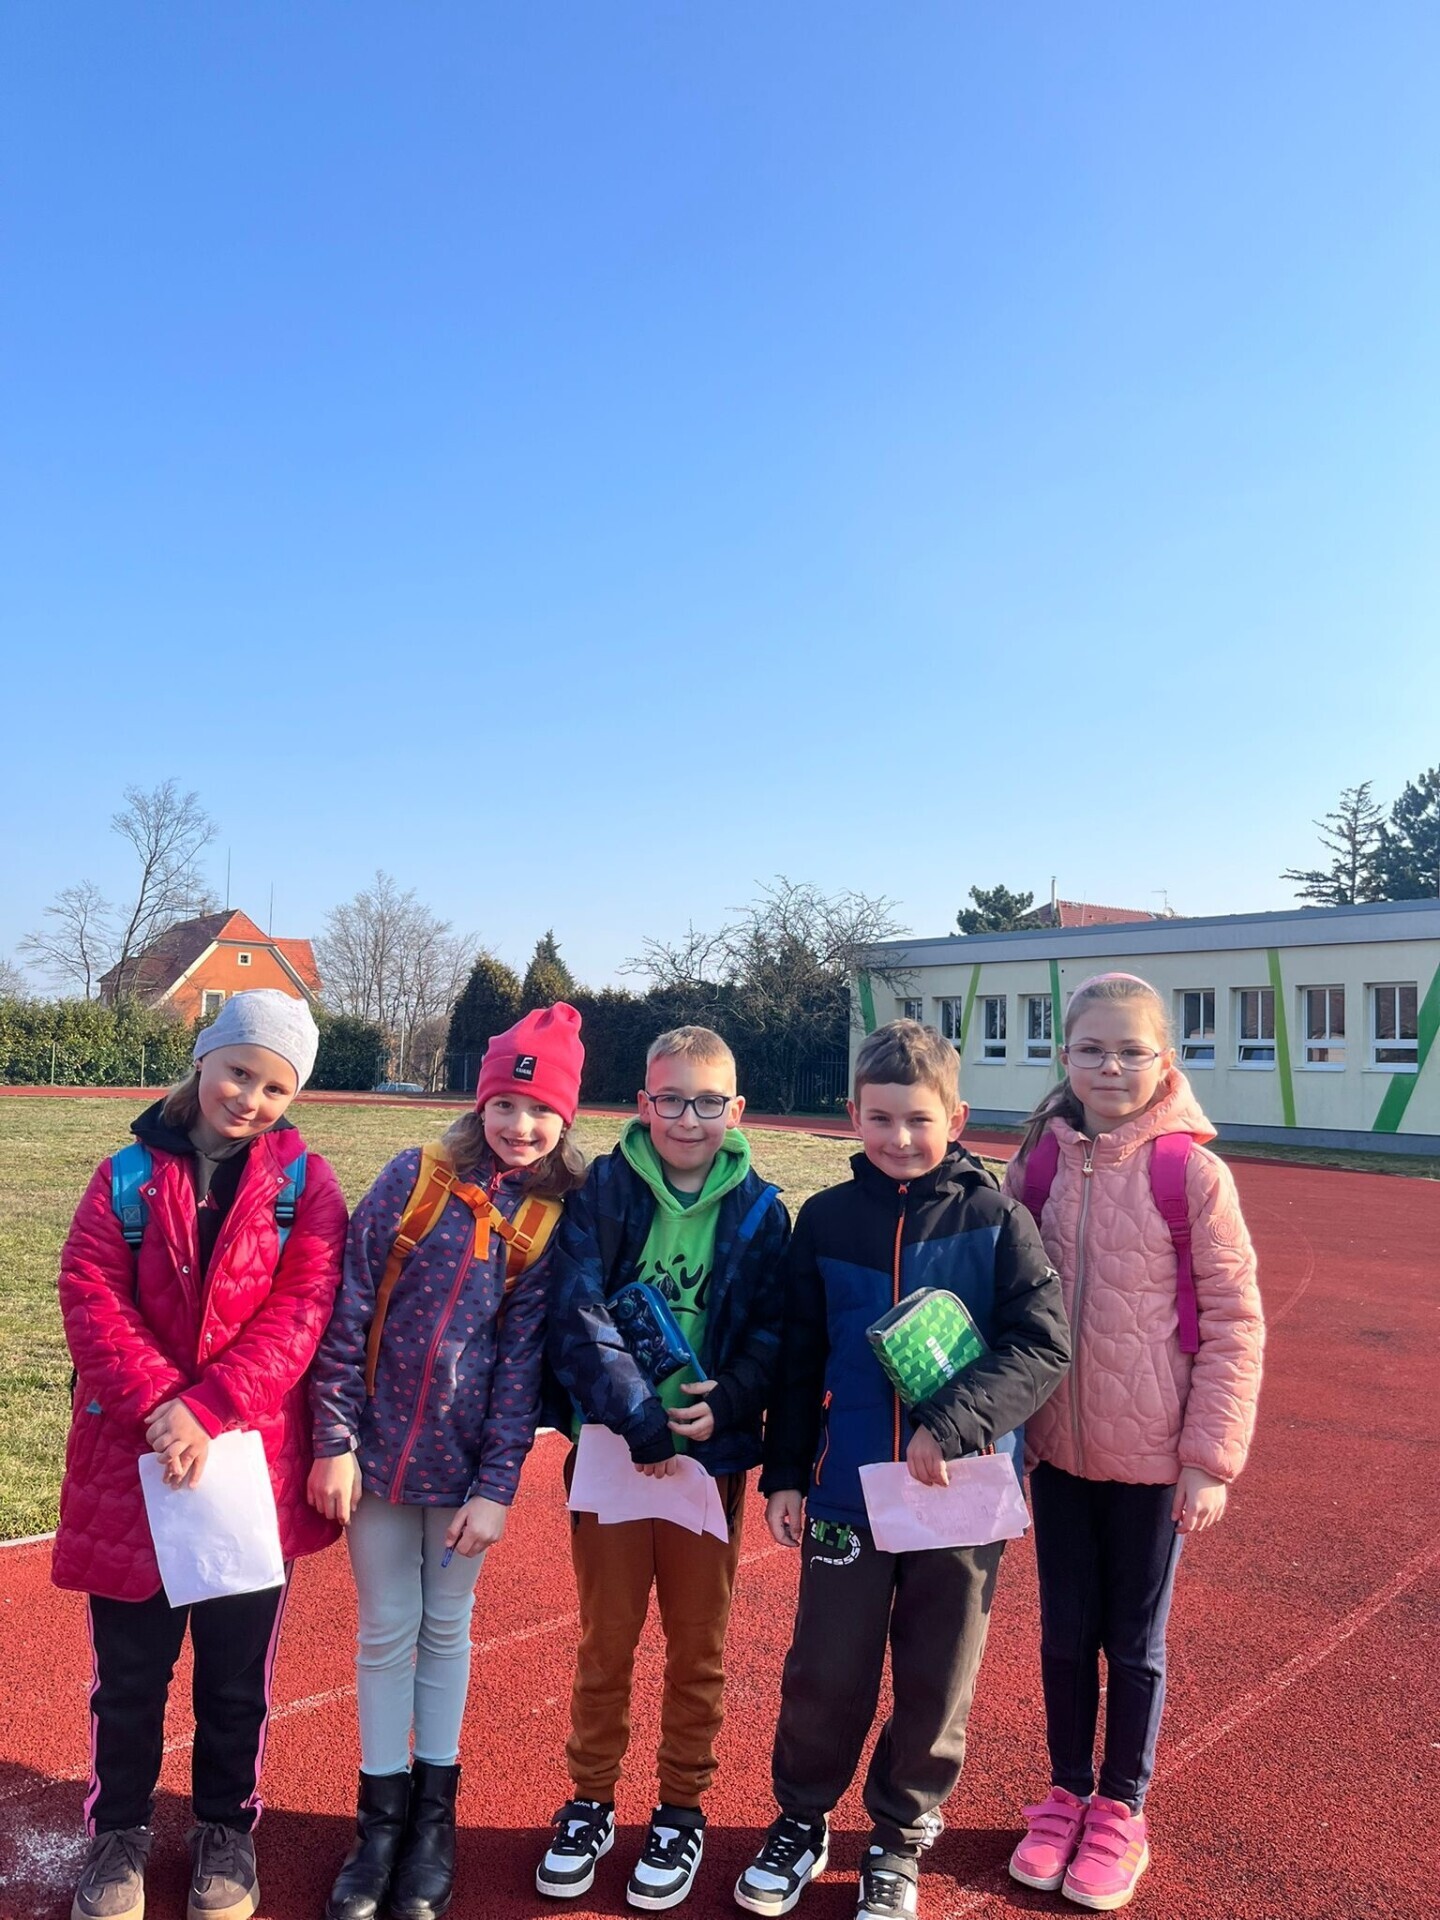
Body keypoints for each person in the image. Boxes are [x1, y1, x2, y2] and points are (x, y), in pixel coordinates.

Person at [736, 1018, 1071, 1920]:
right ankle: (802, 1818)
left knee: (937, 1674)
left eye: (919, 1119)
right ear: (853, 1116)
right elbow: (798, 1357)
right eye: (880, 1118)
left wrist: (952, 1425)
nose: (899, 1137)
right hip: (847, 1493)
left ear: (955, 1118)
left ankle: (898, 1834)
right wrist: (785, 1474)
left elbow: (1043, 1347)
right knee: (825, 1671)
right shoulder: (825, 1220)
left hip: (959, 1497)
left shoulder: (995, 1219)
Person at [54, 989, 346, 1920]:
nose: (250, 1098)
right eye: (239, 1071)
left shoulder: (308, 1188)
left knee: (234, 1679)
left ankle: (226, 1827)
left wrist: (210, 1409)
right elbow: (90, 1294)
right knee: (129, 1680)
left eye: (274, 1086)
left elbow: (303, 1311)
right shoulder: (124, 1177)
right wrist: (161, 1410)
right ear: (204, 1059)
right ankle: (118, 1835)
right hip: (133, 1464)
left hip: (244, 1468)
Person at [308, 1002, 586, 1920]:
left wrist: (499, 1486)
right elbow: (349, 1309)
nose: (521, 1124)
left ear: (565, 1119)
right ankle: (378, 1827)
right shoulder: (413, 1177)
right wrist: (334, 1440)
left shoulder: (545, 1219)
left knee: (446, 1631)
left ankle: (433, 1826)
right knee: (386, 1630)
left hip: (466, 1476)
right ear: (481, 1102)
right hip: (377, 1459)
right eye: (506, 1103)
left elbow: (521, 1368)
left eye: (541, 1111)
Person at [1004, 972, 1264, 1912]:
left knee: (1134, 1641)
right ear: (1064, 1055)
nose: (1110, 1067)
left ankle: (1121, 1808)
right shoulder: (1035, 1163)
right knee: (1064, 1634)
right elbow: (1002, 1297)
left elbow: (1234, 1322)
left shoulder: (1190, 1173)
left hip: (1155, 1461)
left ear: (1165, 1060)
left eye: (1130, 1051)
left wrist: (1207, 1459)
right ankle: (1066, 1792)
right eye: (1091, 1049)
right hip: (1057, 1452)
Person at [537, 1025, 790, 1911]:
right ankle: (590, 1800)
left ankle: (681, 1807)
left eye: (707, 1102)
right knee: (605, 1640)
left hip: (707, 1466)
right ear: (643, 1104)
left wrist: (731, 1402)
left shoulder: (762, 1210)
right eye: (671, 1100)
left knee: (698, 1647)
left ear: (736, 1109)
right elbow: (576, 1312)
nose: (688, 1119)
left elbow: (774, 1332)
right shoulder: (600, 1192)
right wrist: (637, 1419)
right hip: (612, 1452)